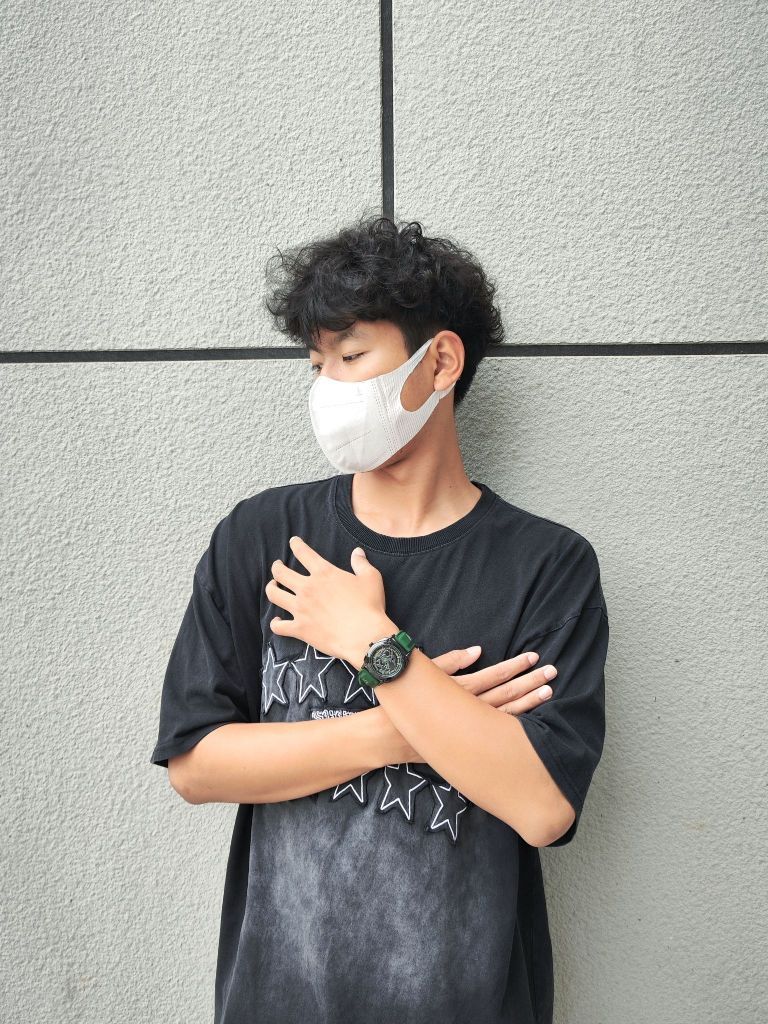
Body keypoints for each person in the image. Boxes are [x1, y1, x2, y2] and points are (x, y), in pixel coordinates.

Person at [149, 215, 609, 1024]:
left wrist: (371, 641)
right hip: (276, 1002)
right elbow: (196, 765)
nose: (329, 386)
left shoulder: (545, 564)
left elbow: (541, 807)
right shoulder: (264, 536)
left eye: (352, 356)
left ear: (440, 362)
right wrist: (411, 727)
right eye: (317, 363)